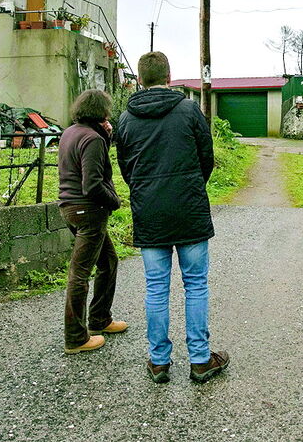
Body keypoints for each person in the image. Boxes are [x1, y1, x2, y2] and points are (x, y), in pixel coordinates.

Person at [114, 51, 229, 383]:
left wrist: (146, 192)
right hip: (189, 209)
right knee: (196, 285)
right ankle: (200, 360)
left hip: (149, 212)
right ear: (169, 76)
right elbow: (206, 158)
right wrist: (191, 187)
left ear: (139, 80)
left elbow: (126, 168)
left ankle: (159, 361)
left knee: (156, 288)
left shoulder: (126, 119)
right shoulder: (189, 110)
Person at [57, 89, 128, 354]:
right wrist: (115, 201)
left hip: (70, 208)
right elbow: (93, 184)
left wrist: (105, 137)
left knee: (108, 262)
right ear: (102, 112)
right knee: (80, 274)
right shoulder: (92, 138)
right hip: (89, 211)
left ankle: (100, 319)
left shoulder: (70, 132)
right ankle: (76, 337)